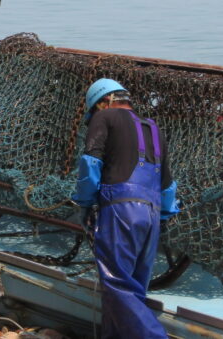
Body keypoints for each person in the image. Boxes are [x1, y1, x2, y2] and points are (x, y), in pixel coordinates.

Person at [72, 78, 179, 339]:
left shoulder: (104, 116)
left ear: (103, 102)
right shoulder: (154, 128)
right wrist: (163, 215)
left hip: (121, 211)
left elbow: (90, 163)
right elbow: (167, 185)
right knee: (134, 289)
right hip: (152, 216)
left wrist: (84, 203)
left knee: (116, 285)